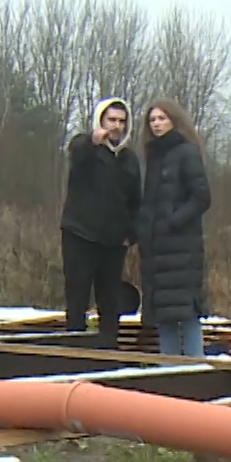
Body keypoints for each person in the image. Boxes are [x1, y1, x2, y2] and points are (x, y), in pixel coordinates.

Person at [60, 96, 142, 349]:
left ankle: (109, 350)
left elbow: (136, 200)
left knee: (109, 300)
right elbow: (76, 152)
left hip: (113, 241)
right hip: (81, 235)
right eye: (111, 120)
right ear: (100, 121)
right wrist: (93, 140)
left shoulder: (129, 159)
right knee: (77, 297)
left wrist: (132, 234)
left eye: (121, 121)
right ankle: (75, 350)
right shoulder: (85, 148)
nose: (116, 126)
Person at [135, 98, 211, 357]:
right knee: (163, 316)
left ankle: (195, 369)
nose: (157, 124)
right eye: (152, 120)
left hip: (182, 250)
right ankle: (167, 371)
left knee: (187, 314)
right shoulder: (154, 156)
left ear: (174, 120)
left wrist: (173, 221)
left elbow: (201, 197)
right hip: (157, 251)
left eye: (162, 118)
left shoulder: (186, 152)